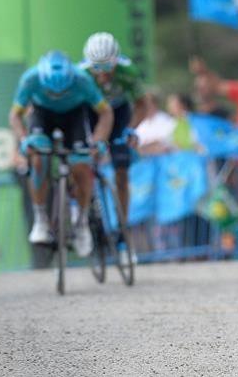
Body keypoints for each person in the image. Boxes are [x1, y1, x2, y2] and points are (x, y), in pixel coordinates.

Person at [10, 50, 113, 257]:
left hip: (74, 116)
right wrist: (23, 141)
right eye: (52, 92)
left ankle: (82, 221)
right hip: (42, 115)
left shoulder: (82, 80)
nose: (57, 96)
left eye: (62, 92)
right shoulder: (30, 79)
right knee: (38, 159)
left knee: (82, 165)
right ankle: (41, 219)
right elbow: (15, 115)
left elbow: (105, 112)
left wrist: (99, 140)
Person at [80, 32, 143, 228]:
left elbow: (142, 104)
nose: (102, 74)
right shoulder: (81, 74)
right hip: (90, 114)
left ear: (116, 62)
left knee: (121, 173)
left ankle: (123, 227)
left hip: (118, 113)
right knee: (81, 163)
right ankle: (84, 213)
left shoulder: (128, 72)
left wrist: (130, 129)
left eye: (107, 67)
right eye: (96, 68)